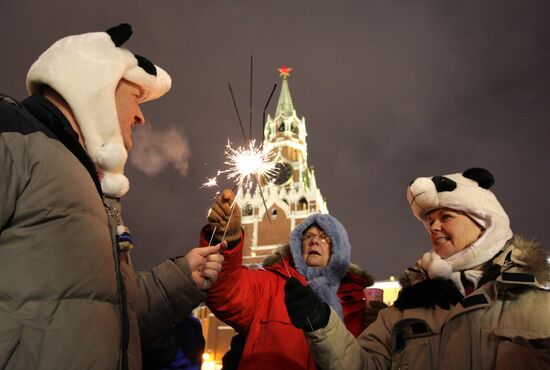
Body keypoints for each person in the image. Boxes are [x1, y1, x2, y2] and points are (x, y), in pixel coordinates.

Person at [0, 24, 223, 369]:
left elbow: (106, 313)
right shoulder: (13, 136)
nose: (140, 115)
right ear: (95, 87)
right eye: (135, 97)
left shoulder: (95, 186)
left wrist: (183, 277)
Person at [285, 167, 550, 370]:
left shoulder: (536, 296)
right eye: (429, 221)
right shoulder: (407, 307)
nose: (433, 227)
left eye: (445, 217)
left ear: (484, 223)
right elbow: (362, 365)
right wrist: (322, 324)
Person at [201, 189, 373, 370]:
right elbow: (227, 291)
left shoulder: (359, 302)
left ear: (339, 248)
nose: (314, 241)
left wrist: (381, 327)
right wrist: (228, 239)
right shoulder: (272, 283)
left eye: (324, 237)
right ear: (298, 244)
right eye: (308, 236)